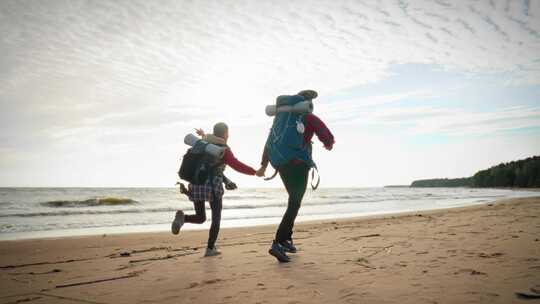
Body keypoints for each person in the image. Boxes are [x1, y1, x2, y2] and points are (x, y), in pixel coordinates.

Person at [256, 90, 335, 263]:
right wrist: (328, 144)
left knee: (294, 201)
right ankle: (277, 242)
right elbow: (327, 135)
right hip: (298, 165)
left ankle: (286, 240)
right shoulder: (308, 118)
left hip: (281, 164)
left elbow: (269, 143)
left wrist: (263, 165)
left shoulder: (280, 121)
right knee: (294, 203)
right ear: (307, 104)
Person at [172, 122, 258, 257]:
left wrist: (227, 181)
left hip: (195, 183)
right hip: (212, 187)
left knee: (200, 217)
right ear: (225, 133)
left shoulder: (203, 143)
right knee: (216, 219)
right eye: (227, 133)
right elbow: (236, 165)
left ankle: (183, 218)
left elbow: (210, 166)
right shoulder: (223, 149)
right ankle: (210, 248)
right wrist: (254, 172)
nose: (228, 135)